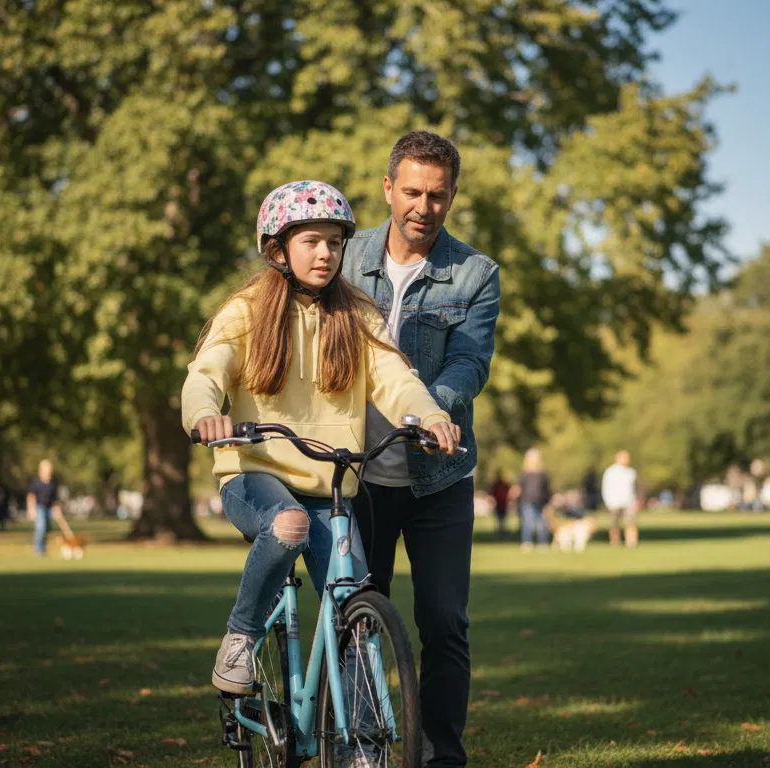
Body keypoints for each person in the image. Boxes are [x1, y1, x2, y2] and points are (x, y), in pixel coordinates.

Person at [181, 180, 460, 697]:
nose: (326, 253)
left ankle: (362, 742)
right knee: (286, 525)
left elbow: (395, 378)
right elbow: (207, 372)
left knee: (356, 614)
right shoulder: (246, 312)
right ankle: (240, 638)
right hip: (255, 473)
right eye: (311, 241)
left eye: (334, 242)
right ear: (278, 249)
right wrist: (204, 413)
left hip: (331, 486)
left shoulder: (355, 314)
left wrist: (428, 415)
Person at [342, 131, 500, 768]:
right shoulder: (342, 260)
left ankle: (442, 760)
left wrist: (431, 409)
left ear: (453, 196)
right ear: (388, 189)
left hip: (438, 477)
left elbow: (470, 362)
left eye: (437, 195)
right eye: (411, 191)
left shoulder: (476, 273)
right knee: (353, 615)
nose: (422, 206)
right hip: (354, 476)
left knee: (443, 623)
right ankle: (359, 747)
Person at [602, 450, 640, 548]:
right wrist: (608, 501)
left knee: (631, 523)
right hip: (614, 502)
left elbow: (634, 488)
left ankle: (631, 543)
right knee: (614, 524)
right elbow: (606, 487)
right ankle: (615, 542)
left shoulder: (631, 472)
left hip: (628, 502)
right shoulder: (610, 472)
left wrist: (635, 501)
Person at [517, 449, 552, 550]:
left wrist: (548, 503)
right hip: (527, 501)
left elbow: (547, 489)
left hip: (541, 501)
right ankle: (527, 542)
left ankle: (543, 543)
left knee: (543, 524)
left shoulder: (543, 474)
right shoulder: (524, 473)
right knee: (528, 523)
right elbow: (520, 487)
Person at [27, 460, 62, 556]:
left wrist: (57, 508)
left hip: (49, 507)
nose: (48, 471)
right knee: (40, 527)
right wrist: (31, 509)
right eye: (46, 469)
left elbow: (55, 497)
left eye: (50, 469)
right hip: (39, 507)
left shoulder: (53, 482)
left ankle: (43, 547)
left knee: (47, 528)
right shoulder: (36, 482)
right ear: (41, 470)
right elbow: (31, 496)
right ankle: (38, 550)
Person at [489, 472, 512, 540]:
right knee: (500, 520)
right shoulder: (496, 485)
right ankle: (500, 532)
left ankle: (502, 532)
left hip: (503, 504)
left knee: (502, 520)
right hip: (499, 504)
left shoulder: (503, 485)